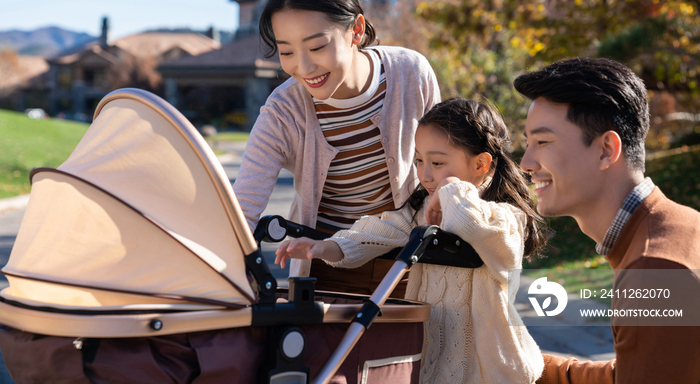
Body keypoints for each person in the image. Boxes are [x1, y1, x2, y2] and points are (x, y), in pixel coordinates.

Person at [276, 98, 547, 384]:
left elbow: (470, 222)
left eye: (437, 162)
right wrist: (328, 246)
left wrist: (449, 188)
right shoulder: (421, 211)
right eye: (419, 160)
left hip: (492, 369)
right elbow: (377, 232)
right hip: (431, 364)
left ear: (481, 164)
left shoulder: (506, 218)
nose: (425, 174)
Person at [232, 0, 441, 295]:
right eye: (286, 51)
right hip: (325, 266)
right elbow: (242, 211)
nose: (303, 67)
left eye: (317, 47)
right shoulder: (283, 111)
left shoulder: (410, 74)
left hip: (408, 263)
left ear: (356, 30)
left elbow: (443, 165)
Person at [514, 57, 700, 384]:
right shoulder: (679, 227)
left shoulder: (654, 268)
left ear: (606, 149)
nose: (526, 162)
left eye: (542, 142)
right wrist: (517, 363)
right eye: (528, 143)